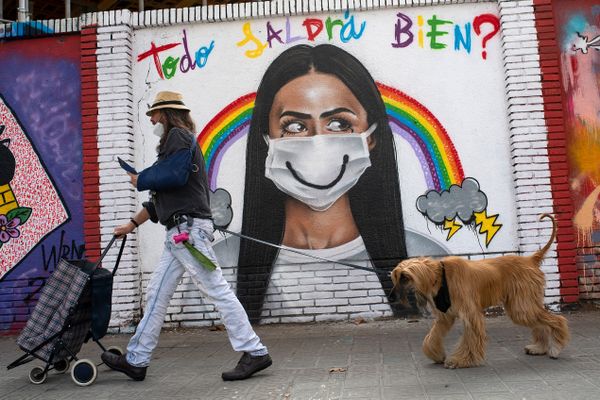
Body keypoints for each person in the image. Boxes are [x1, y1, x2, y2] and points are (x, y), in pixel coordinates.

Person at [234, 44, 423, 324]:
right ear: (266, 139)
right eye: (294, 126)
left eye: (338, 124)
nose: (317, 141)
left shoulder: (421, 257)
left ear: (370, 137)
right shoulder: (218, 262)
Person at [101, 91, 272, 382]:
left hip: (187, 233)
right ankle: (137, 360)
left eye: (154, 114)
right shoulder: (174, 150)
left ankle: (254, 351)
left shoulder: (178, 137)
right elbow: (161, 198)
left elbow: (173, 179)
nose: (152, 119)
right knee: (157, 295)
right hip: (181, 233)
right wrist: (132, 223)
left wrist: (140, 179)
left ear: (167, 114)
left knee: (216, 290)